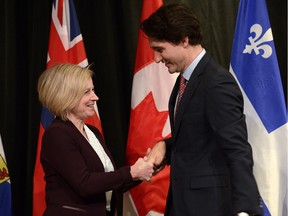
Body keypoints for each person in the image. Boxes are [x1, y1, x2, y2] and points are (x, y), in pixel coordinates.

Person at [141, 3, 262, 216]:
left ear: (184, 40)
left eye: (160, 49)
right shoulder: (184, 81)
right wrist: (165, 147)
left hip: (209, 207)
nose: (156, 59)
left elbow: (237, 148)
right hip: (184, 205)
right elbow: (199, 138)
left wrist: (245, 209)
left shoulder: (216, 83)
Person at [37, 63, 154, 216]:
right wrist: (131, 172)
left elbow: (109, 183)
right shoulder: (57, 134)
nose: (95, 97)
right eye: (87, 92)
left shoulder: (92, 132)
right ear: (65, 95)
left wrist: (145, 168)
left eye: (93, 90)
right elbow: (85, 184)